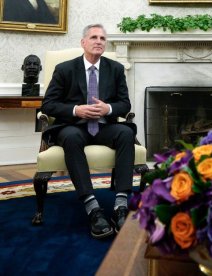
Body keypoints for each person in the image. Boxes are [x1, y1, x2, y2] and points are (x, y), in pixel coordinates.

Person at [41, 24, 136, 239]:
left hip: (104, 126)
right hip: (74, 126)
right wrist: (77, 110)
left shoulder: (116, 69)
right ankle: (92, 208)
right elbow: (48, 104)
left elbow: (125, 104)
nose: (99, 41)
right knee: (72, 137)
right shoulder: (65, 69)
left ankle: (121, 205)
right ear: (83, 42)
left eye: (103, 38)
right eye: (94, 37)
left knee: (126, 133)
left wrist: (108, 108)